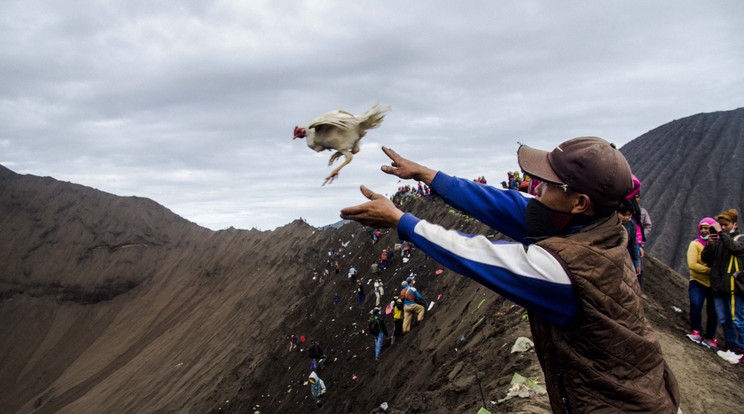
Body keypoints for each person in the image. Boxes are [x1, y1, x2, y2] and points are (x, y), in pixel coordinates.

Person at [340, 139, 680, 413]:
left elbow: (478, 255)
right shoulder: (589, 225)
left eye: (547, 183)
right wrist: (427, 175)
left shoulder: (568, 271)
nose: (536, 187)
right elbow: (502, 203)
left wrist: (402, 221)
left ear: (579, 202)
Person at [701, 209, 744, 362]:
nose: (723, 228)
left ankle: (741, 348)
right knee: (725, 319)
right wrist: (710, 244)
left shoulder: (740, 239)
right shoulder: (719, 241)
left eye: (726, 225)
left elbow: (735, 248)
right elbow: (706, 259)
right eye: (721, 225)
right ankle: (731, 346)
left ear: (735, 225)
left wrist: (722, 235)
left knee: (738, 320)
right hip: (718, 287)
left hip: (733, 287)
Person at [686, 217, 719, 348]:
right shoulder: (695, 244)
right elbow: (693, 265)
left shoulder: (718, 246)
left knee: (713, 311)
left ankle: (711, 337)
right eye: (702, 228)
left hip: (714, 284)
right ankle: (696, 331)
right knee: (696, 304)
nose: (704, 231)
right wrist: (711, 271)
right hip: (697, 281)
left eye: (707, 228)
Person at [617, 204, 642, 280]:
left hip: (625, 255)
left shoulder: (631, 224)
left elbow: (633, 245)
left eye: (629, 215)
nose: (626, 218)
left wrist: (637, 263)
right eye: (624, 215)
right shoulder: (611, 224)